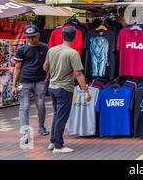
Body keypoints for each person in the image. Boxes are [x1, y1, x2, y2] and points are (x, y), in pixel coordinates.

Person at [43, 26, 91, 154]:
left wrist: (55, 72)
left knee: (57, 115)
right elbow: (79, 74)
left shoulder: (51, 50)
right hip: (64, 88)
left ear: (61, 36)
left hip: (52, 87)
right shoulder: (72, 53)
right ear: (75, 37)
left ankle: (53, 141)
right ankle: (59, 145)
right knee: (62, 117)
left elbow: (45, 67)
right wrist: (85, 91)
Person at [11, 24, 49, 145]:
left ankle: (41, 126)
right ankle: (25, 133)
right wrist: (14, 85)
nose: (31, 39)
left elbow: (48, 66)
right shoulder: (22, 49)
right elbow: (17, 68)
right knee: (24, 107)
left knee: (41, 105)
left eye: (33, 36)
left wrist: (47, 78)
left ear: (38, 35)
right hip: (25, 81)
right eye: (28, 37)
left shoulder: (45, 48)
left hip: (40, 81)